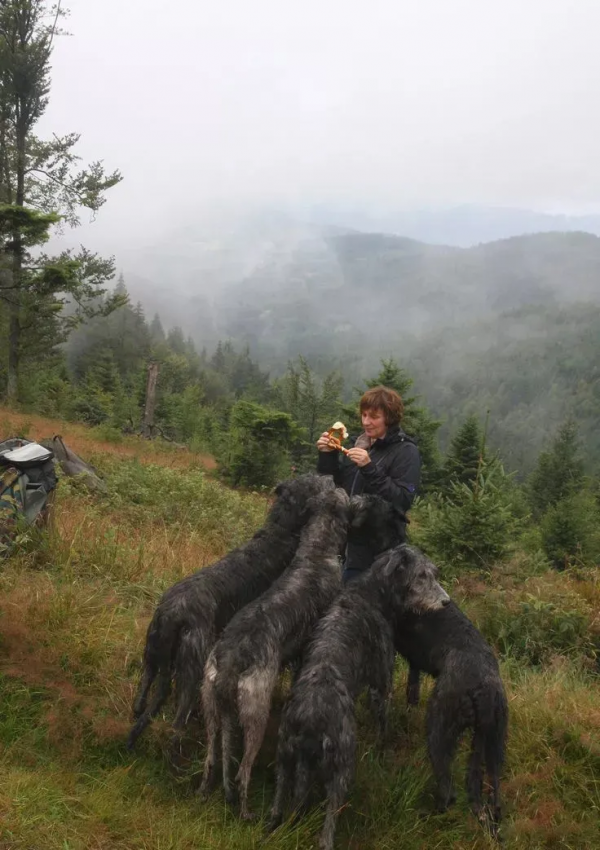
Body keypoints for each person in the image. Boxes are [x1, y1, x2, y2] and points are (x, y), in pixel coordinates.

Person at [316, 385, 421, 584]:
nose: (366, 422)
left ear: (389, 418)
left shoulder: (406, 451)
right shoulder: (359, 444)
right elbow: (333, 487)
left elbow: (402, 501)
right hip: (344, 544)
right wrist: (327, 456)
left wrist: (369, 468)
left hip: (378, 554)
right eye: (364, 415)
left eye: (374, 417)